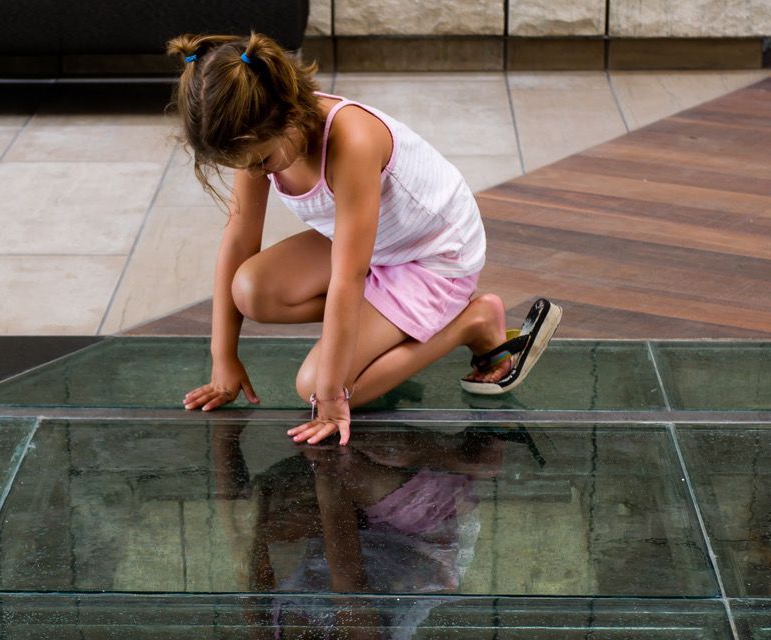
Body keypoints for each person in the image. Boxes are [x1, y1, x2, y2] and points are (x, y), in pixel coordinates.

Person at [171, 32, 561, 445]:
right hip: (378, 245)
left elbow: (349, 276)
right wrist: (223, 356)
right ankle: (389, 328)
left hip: (434, 256)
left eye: (261, 162)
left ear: (286, 116)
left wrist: (333, 394)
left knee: (313, 386)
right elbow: (237, 240)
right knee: (251, 291)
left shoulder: (351, 140)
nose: (254, 172)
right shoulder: (254, 138)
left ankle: (471, 321)